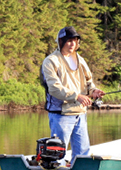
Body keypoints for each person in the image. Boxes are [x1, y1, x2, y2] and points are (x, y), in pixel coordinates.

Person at [40, 26, 105, 160]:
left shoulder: (80, 60)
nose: (72, 44)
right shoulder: (51, 61)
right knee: (57, 154)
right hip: (61, 114)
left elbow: (88, 81)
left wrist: (94, 91)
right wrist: (77, 96)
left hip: (80, 113)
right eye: (69, 41)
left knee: (82, 154)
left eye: (75, 41)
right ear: (61, 41)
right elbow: (54, 88)